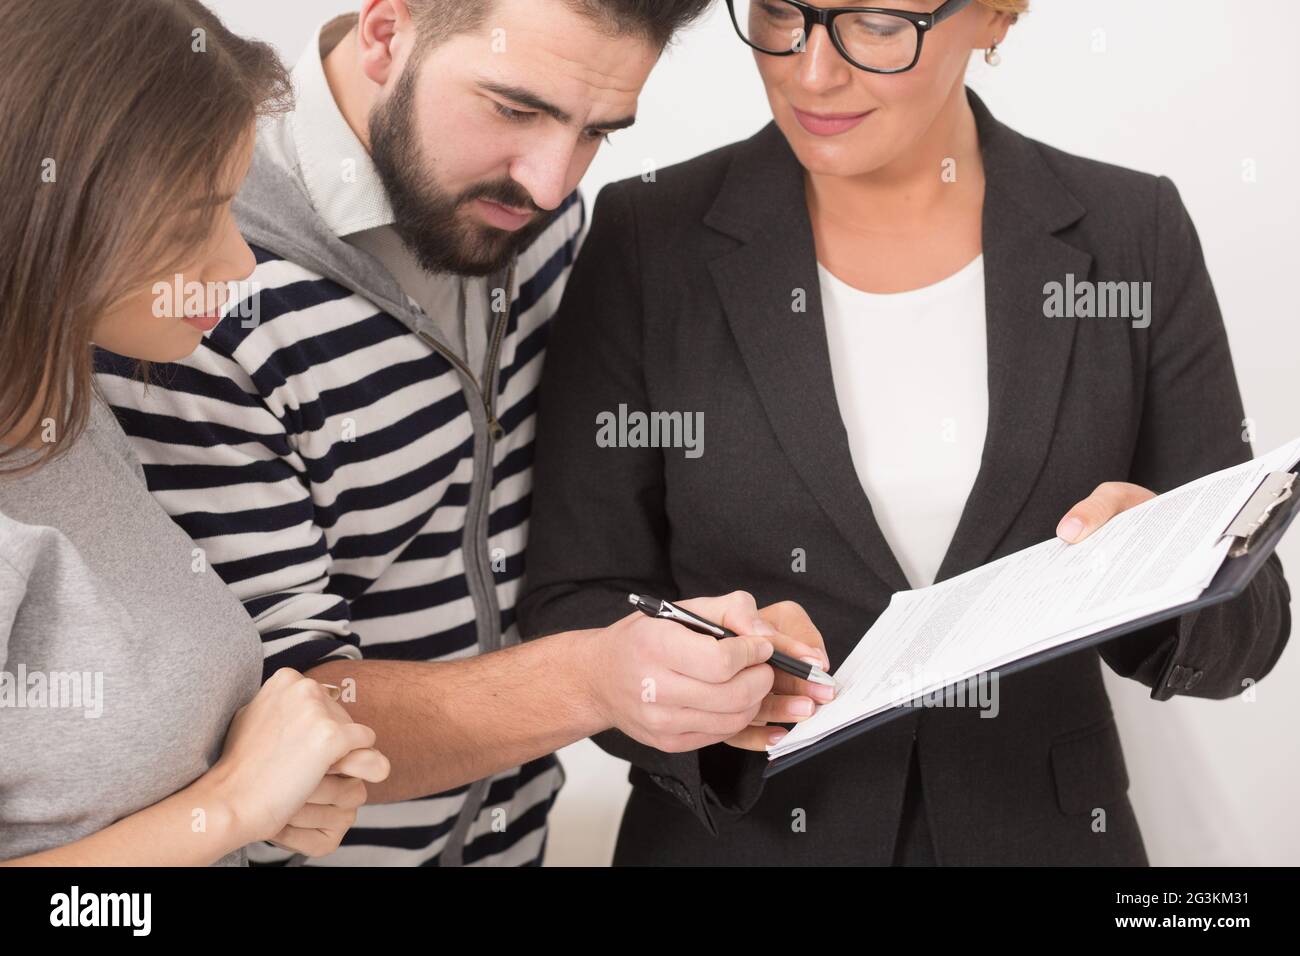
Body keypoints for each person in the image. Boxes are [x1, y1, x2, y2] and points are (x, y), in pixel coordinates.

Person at [517, 0, 1292, 864]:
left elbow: (1250, 632)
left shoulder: (1131, 231)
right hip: (741, 841)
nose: (810, 71)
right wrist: (697, 681)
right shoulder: (644, 236)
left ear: (997, 17)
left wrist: (1154, 569)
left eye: (879, 24)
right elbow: (574, 600)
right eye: (779, 13)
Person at [94, 0, 831, 867]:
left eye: (597, 131)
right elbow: (281, 704)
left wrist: (701, 657)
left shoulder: (529, 211)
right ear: (384, 31)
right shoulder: (189, 293)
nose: (554, 183)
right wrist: (597, 679)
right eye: (516, 109)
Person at [0, 0, 389, 866]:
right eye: (190, 223)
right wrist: (231, 804)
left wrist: (269, 794)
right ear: (43, 218)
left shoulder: (69, 402)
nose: (241, 262)